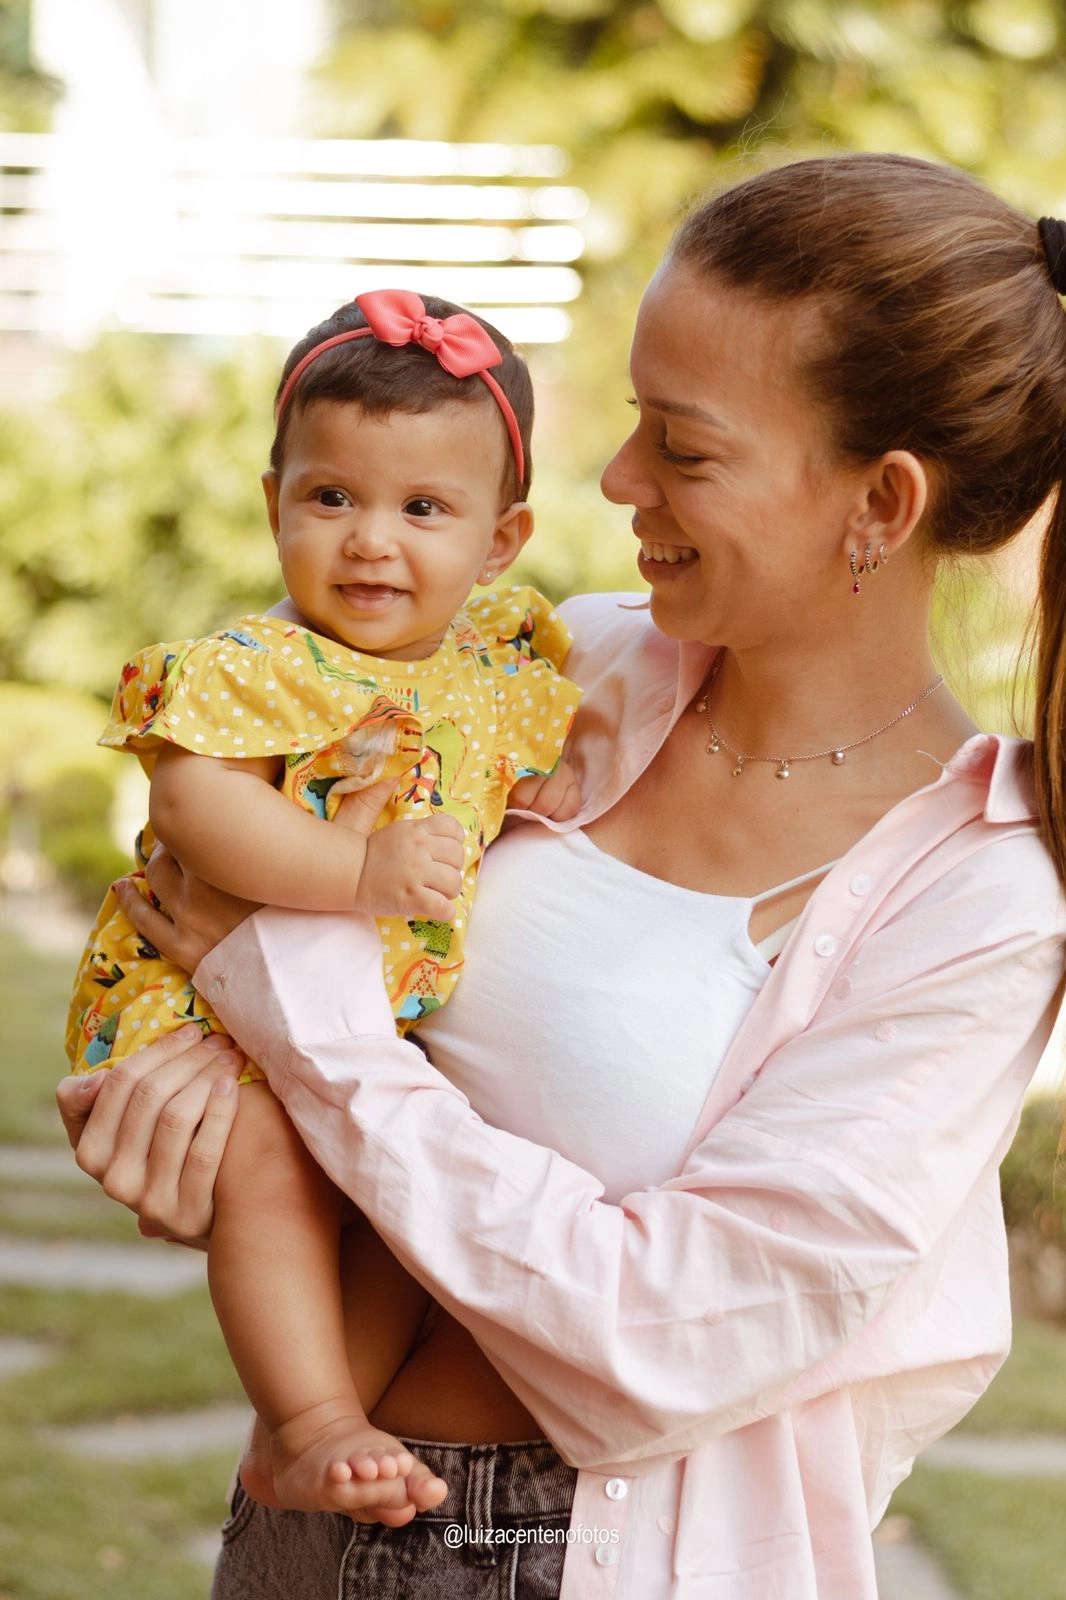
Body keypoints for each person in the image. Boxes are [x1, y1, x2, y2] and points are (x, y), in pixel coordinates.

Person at [58, 152, 1066, 1600]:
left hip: (574, 1562)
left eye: (684, 444)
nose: (612, 480)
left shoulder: (976, 898)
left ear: (880, 502)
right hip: (303, 1518)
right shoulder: (550, 669)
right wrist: (195, 1100)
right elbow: (228, 815)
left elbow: (664, 1331)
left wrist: (292, 1007)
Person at [63, 288, 583, 1518]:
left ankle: (339, 1410)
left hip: (363, 1027)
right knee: (270, 1160)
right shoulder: (262, 665)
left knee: (417, 1194)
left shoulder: (501, 661)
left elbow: (533, 768)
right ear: (273, 502)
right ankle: (305, 1420)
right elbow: (199, 813)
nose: (370, 542)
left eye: (424, 509)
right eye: (332, 497)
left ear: (500, 542)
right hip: (200, 1010)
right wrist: (356, 874)